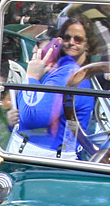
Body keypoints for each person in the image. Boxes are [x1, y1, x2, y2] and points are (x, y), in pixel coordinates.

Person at [6, 18, 93, 155]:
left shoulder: (70, 74)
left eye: (39, 44)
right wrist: (13, 122)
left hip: (49, 160)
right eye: (67, 38)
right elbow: (28, 119)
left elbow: (32, 117)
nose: (34, 49)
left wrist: (32, 76)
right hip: (33, 153)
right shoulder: (52, 73)